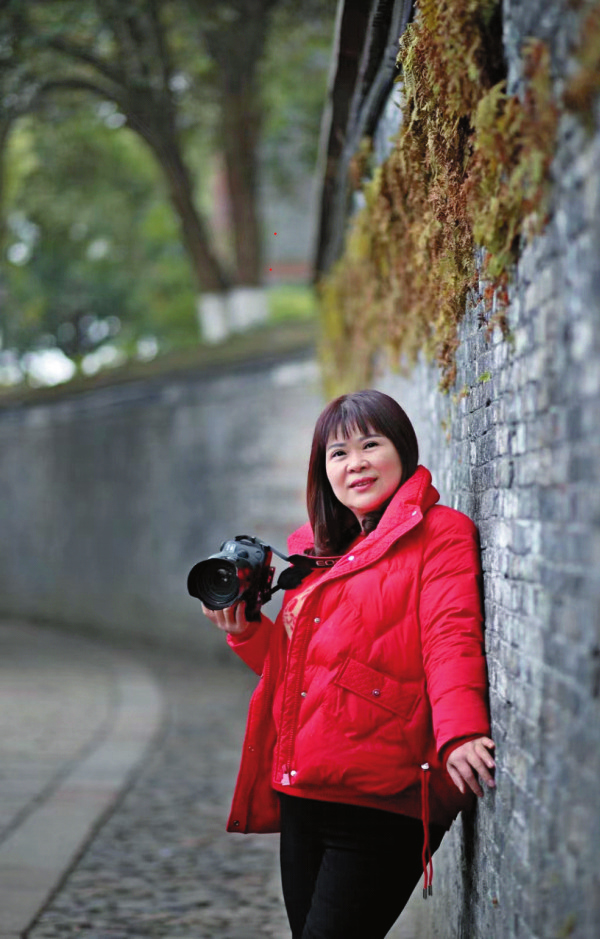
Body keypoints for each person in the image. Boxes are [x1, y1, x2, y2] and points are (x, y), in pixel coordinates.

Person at [202, 389, 495, 939]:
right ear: (324, 470)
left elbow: (451, 636)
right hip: (302, 791)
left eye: (370, 445)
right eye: (338, 453)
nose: (355, 463)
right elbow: (299, 673)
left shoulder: (441, 532)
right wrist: (247, 633)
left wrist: (460, 733)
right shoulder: (317, 554)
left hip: (384, 796)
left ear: (402, 450)